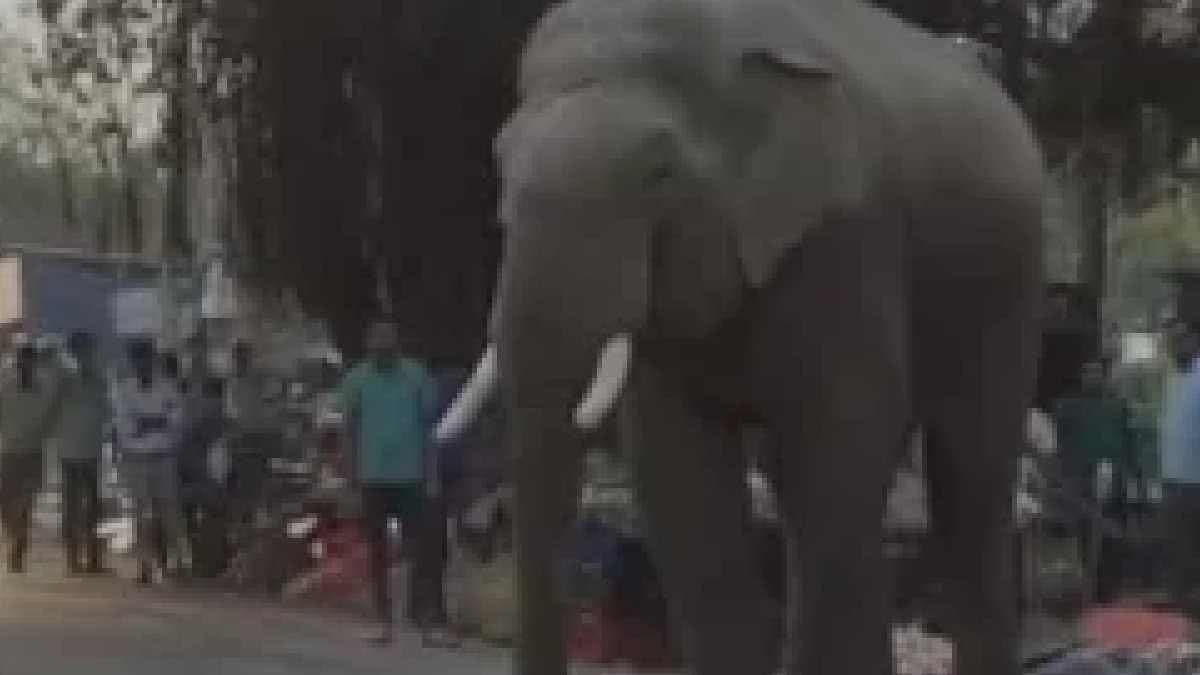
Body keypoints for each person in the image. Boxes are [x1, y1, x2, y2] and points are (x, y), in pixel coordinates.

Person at [338, 317, 440, 645]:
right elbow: (350, 433)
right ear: (369, 347)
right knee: (377, 551)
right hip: (372, 477)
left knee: (421, 550)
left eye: (388, 343)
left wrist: (432, 474)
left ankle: (423, 618)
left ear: (397, 345)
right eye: (377, 344)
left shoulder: (416, 375)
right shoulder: (356, 380)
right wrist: (350, 481)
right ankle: (382, 619)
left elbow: (428, 430)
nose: (383, 350)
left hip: (411, 476)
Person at [1053, 357, 1136, 603]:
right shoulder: (1067, 407)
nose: (1092, 377)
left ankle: (1110, 589)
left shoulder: (1118, 406)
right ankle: (1091, 588)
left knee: (1111, 536)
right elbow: (1059, 445)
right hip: (1080, 481)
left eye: (1097, 372)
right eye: (1087, 372)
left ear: (1104, 376)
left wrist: (1130, 478)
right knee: (1085, 535)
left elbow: (1128, 443)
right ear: (1080, 376)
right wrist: (1064, 479)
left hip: (1114, 480)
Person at [112, 339, 185, 584]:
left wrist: (147, 422)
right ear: (132, 362)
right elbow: (125, 428)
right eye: (137, 358)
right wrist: (156, 420)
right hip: (137, 459)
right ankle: (144, 566)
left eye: (145, 358)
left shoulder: (168, 387)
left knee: (170, 513)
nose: (142, 363)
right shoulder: (124, 389)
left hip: (164, 458)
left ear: (152, 360)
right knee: (141, 514)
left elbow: (176, 422)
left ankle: (177, 563)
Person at [0, 336, 63, 573]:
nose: (24, 364)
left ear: (34, 362)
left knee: (25, 504)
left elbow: (54, 413)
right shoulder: (4, 383)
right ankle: (15, 537)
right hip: (7, 452)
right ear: (16, 361)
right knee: (5, 503)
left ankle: (18, 545)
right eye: (20, 359)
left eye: (28, 359)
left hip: (33, 452)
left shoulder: (46, 386)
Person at [56, 332, 110, 575]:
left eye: (89, 350)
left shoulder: (99, 379)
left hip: (92, 450)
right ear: (74, 351)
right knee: (72, 506)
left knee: (93, 507)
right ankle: (73, 559)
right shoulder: (63, 379)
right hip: (69, 451)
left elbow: (107, 411)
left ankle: (94, 559)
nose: (87, 354)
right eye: (84, 349)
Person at [1159, 322, 1200, 613]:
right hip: (1174, 478)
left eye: (1181, 340)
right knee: (1178, 547)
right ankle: (1182, 605)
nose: (1174, 346)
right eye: (1171, 340)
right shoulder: (1175, 378)